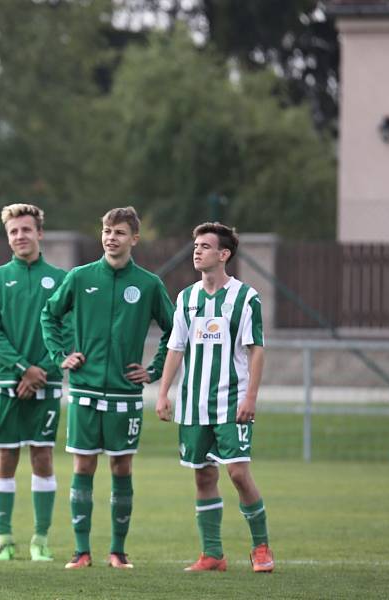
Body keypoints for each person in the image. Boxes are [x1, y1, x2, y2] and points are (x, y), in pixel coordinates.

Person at [41, 206, 174, 570]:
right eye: (106, 231)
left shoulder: (148, 284)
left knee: (121, 467)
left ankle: (118, 551)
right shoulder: (81, 277)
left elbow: (175, 329)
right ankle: (81, 551)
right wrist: (60, 356)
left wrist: (154, 370)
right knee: (83, 465)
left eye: (118, 232)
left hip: (124, 394)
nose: (110, 237)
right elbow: (49, 315)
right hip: (84, 390)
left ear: (134, 238)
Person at [155, 222, 274, 573]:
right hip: (193, 404)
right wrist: (163, 393)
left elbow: (256, 351)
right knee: (203, 475)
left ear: (224, 255)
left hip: (231, 401)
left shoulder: (245, 297)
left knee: (237, 473)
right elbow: (176, 348)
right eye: (195, 244)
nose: (197, 250)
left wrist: (250, 397)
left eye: (205, 246)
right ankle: (212, 555)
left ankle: (261, 548)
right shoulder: (186, 297)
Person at [0, 203, 68, 562]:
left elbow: (68, 330)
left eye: (26, 230)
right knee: (5, 457)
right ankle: (4, 539)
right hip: (6, 380)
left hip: (46, 382)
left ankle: (40, 540)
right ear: (8, 237)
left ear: (39, 233)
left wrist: (40, 371)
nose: (20, 236)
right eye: (14, 231)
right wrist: (22, 368)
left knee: (43, 455)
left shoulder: (62, 279)